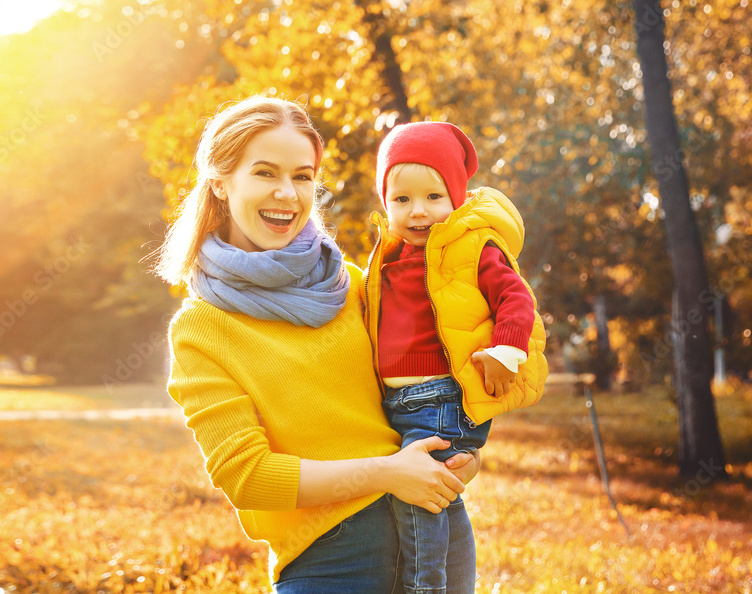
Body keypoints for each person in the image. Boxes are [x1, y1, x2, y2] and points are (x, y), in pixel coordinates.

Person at [155, 96, 481, 593]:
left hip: (438, 532)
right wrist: (386, 473)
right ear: (220, 182)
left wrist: (463, 456)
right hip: (331, 560)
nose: (287, 193)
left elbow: (431, 383)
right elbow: (248, 476)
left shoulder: (355, 285)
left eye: (303, 176)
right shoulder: (201, 329)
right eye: (265, 173)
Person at [363, 121, 548, 593]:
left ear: (457, 198)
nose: (418, 212)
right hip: (399, 401)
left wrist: (505, 350)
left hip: (441, 397)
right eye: (402, 199)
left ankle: (425, 588)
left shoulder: (472, 248)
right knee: (437, 495)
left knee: (418, 498)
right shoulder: (386, 256)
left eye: (433, 197)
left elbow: (515, 298)